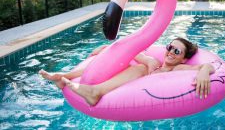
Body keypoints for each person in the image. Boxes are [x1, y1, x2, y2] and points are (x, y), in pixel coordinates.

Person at [39, 37, 215, 106]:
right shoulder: (155, 63)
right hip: (127, 81)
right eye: (170, 47)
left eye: (177, 51)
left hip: (139, 94)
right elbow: (129, 50)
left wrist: (204, 72)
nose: (170, 52)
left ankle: (95, 92)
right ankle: (65, 76)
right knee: (129, 63)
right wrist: (109, 49)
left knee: (138, 67)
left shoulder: (177, 68)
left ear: (183, 58)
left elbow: (207, 66)